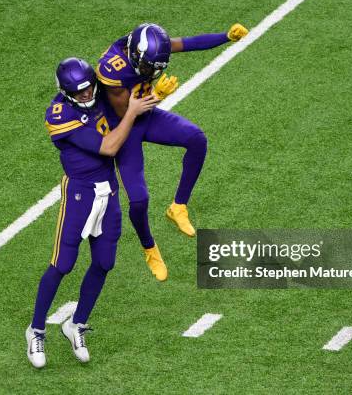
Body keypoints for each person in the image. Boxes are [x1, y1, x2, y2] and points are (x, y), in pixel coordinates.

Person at [26, 57, 159, 368]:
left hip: (108, 190)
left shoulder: (98, 92)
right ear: (67, 91)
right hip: (79, 192)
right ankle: (35, 330)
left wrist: (150, 96)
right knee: (63, 264)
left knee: (104, 262)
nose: (87, 95)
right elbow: (110, 146)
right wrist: (132, 112)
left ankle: (77, 324)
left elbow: (127, 100)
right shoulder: (59, 115)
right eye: (80, 92)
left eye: (89, 89)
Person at [96, 22, 248, 281]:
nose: (149, 72)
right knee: (139, 200)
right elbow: (127, 114)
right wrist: (156, 95)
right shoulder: (112, 70)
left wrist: (225, 37)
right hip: (123, 128)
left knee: (197, 139)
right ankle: (150, 248)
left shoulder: (149, 49)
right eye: (146, 68)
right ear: (134, 55)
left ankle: (177, 207)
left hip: (146, 115)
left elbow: (186, 43)